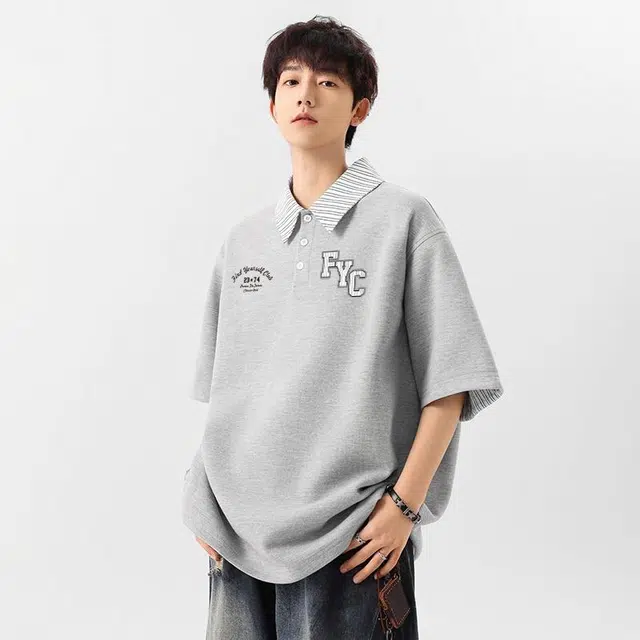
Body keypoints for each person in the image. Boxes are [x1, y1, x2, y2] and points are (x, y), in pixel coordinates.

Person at [181, 15, 504, 639]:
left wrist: (404, 507)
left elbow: (453, 382)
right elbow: (229, 392)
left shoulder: (404, 221)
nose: (306, 94)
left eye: (327, 82)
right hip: (234, 534)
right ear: (272, 106)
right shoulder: (244, 241)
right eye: (290, 81)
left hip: (353, 534)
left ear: (360, 108)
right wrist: (200, 493)